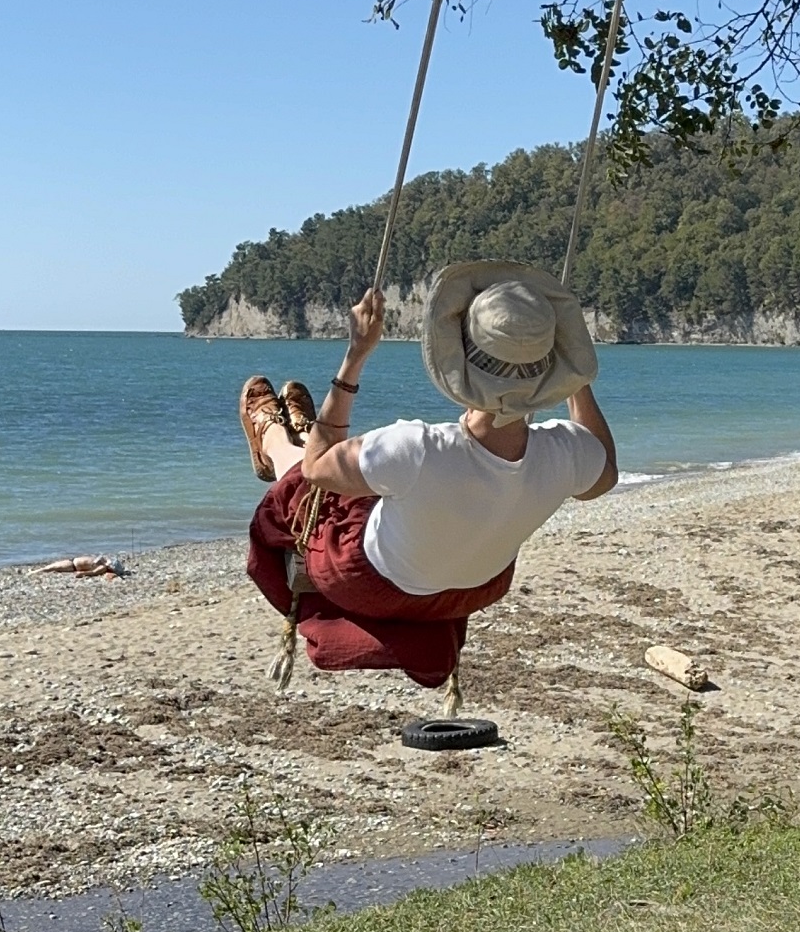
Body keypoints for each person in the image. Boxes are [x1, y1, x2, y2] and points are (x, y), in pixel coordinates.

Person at [239, 261, 618, 692]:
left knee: (313, 491)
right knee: (382, 486)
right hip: (476, 588)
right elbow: (605, 471)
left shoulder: (418, 448)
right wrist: (571, 376)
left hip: (369, 584)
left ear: (458, 355)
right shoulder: (566, 453)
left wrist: (355, 356)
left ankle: (273, 437)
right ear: (552, 368)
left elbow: (318, 468)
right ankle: (303, 429)